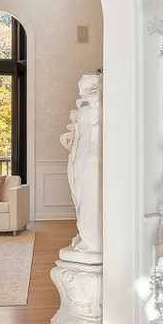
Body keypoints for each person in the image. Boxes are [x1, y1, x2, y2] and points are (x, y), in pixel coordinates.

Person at [61, 73, 102, 255]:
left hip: (87, 161)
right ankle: (91, 237)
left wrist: (76, 165)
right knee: (90, 201)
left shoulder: (88, 111)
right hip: (93, 161)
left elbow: (84, 142)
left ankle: (90, 239)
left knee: (86, 201)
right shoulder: (96, 110)